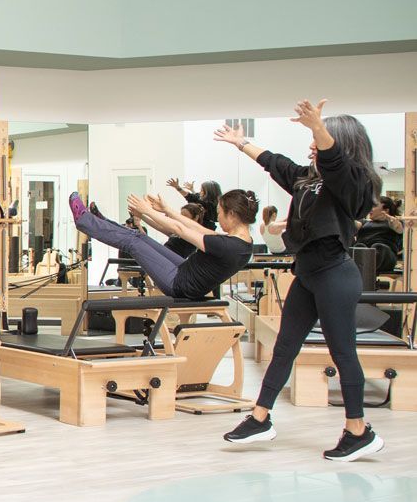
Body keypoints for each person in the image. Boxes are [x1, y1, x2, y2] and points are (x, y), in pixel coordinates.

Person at [215, 101, 383, 461]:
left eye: (318, 139)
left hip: (335, 275)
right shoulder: (309, 180)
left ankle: (358, 430)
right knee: (285, 347)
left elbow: (335, 160)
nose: (311, 146)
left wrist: (318, 128)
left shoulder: (351, 182)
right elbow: (276, 163)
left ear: (342, 143)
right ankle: (260, 418)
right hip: (307, 273)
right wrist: (240, 144)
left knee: (342, 353)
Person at [69, 186, 256, 301]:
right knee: (139, 236)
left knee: (133, 242)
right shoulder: (243, 243)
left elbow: (180, 230)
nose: (219, 217)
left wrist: (147, 211)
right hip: (185, 270)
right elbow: (197, 228)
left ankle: (85, 221)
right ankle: (101, 222)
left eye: (220, 212)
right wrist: (167, 209)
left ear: (232, 214)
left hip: (179, 284)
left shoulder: (229, 246)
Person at [355, 195, 403, 273]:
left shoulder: (394, 223)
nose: (370, 209)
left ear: (386, 210)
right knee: (359, 247)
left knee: (379, 247)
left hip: (385, 255)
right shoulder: (364, 222)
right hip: (365, 253)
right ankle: (365, 266)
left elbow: (399, 229)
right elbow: (353, 224)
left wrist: (395, 225)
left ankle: (365, 266)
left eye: (374, 206)